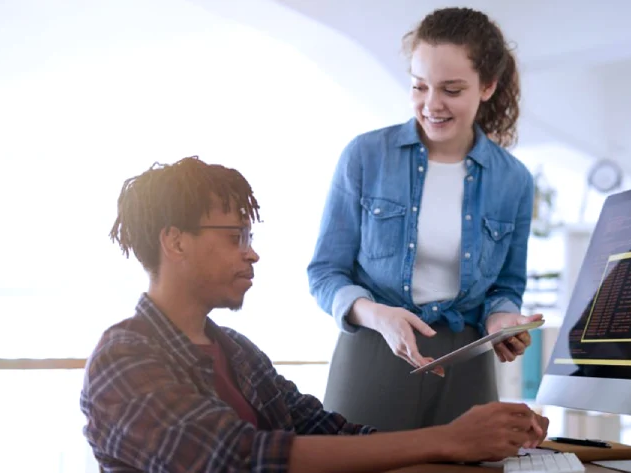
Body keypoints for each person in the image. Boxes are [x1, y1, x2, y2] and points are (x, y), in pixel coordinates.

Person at [80, 156, 548, 472]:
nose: (252, 255)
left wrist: (486, 440)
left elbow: (335, 431)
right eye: (235, 238)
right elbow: (241, 457)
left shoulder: (236, 351)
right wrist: (448, 440)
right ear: (176, 241)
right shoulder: (124, 357)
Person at [307, 7, 541, 432]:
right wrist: (377, 315)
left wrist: (503, 321)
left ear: (487, 86)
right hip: (373, 349)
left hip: (468, 360)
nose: (431, 105)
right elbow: (325, 272)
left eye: (451, 90)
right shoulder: (364, 157)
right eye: (419, 86)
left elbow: (506, 286)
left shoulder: (515, 181)